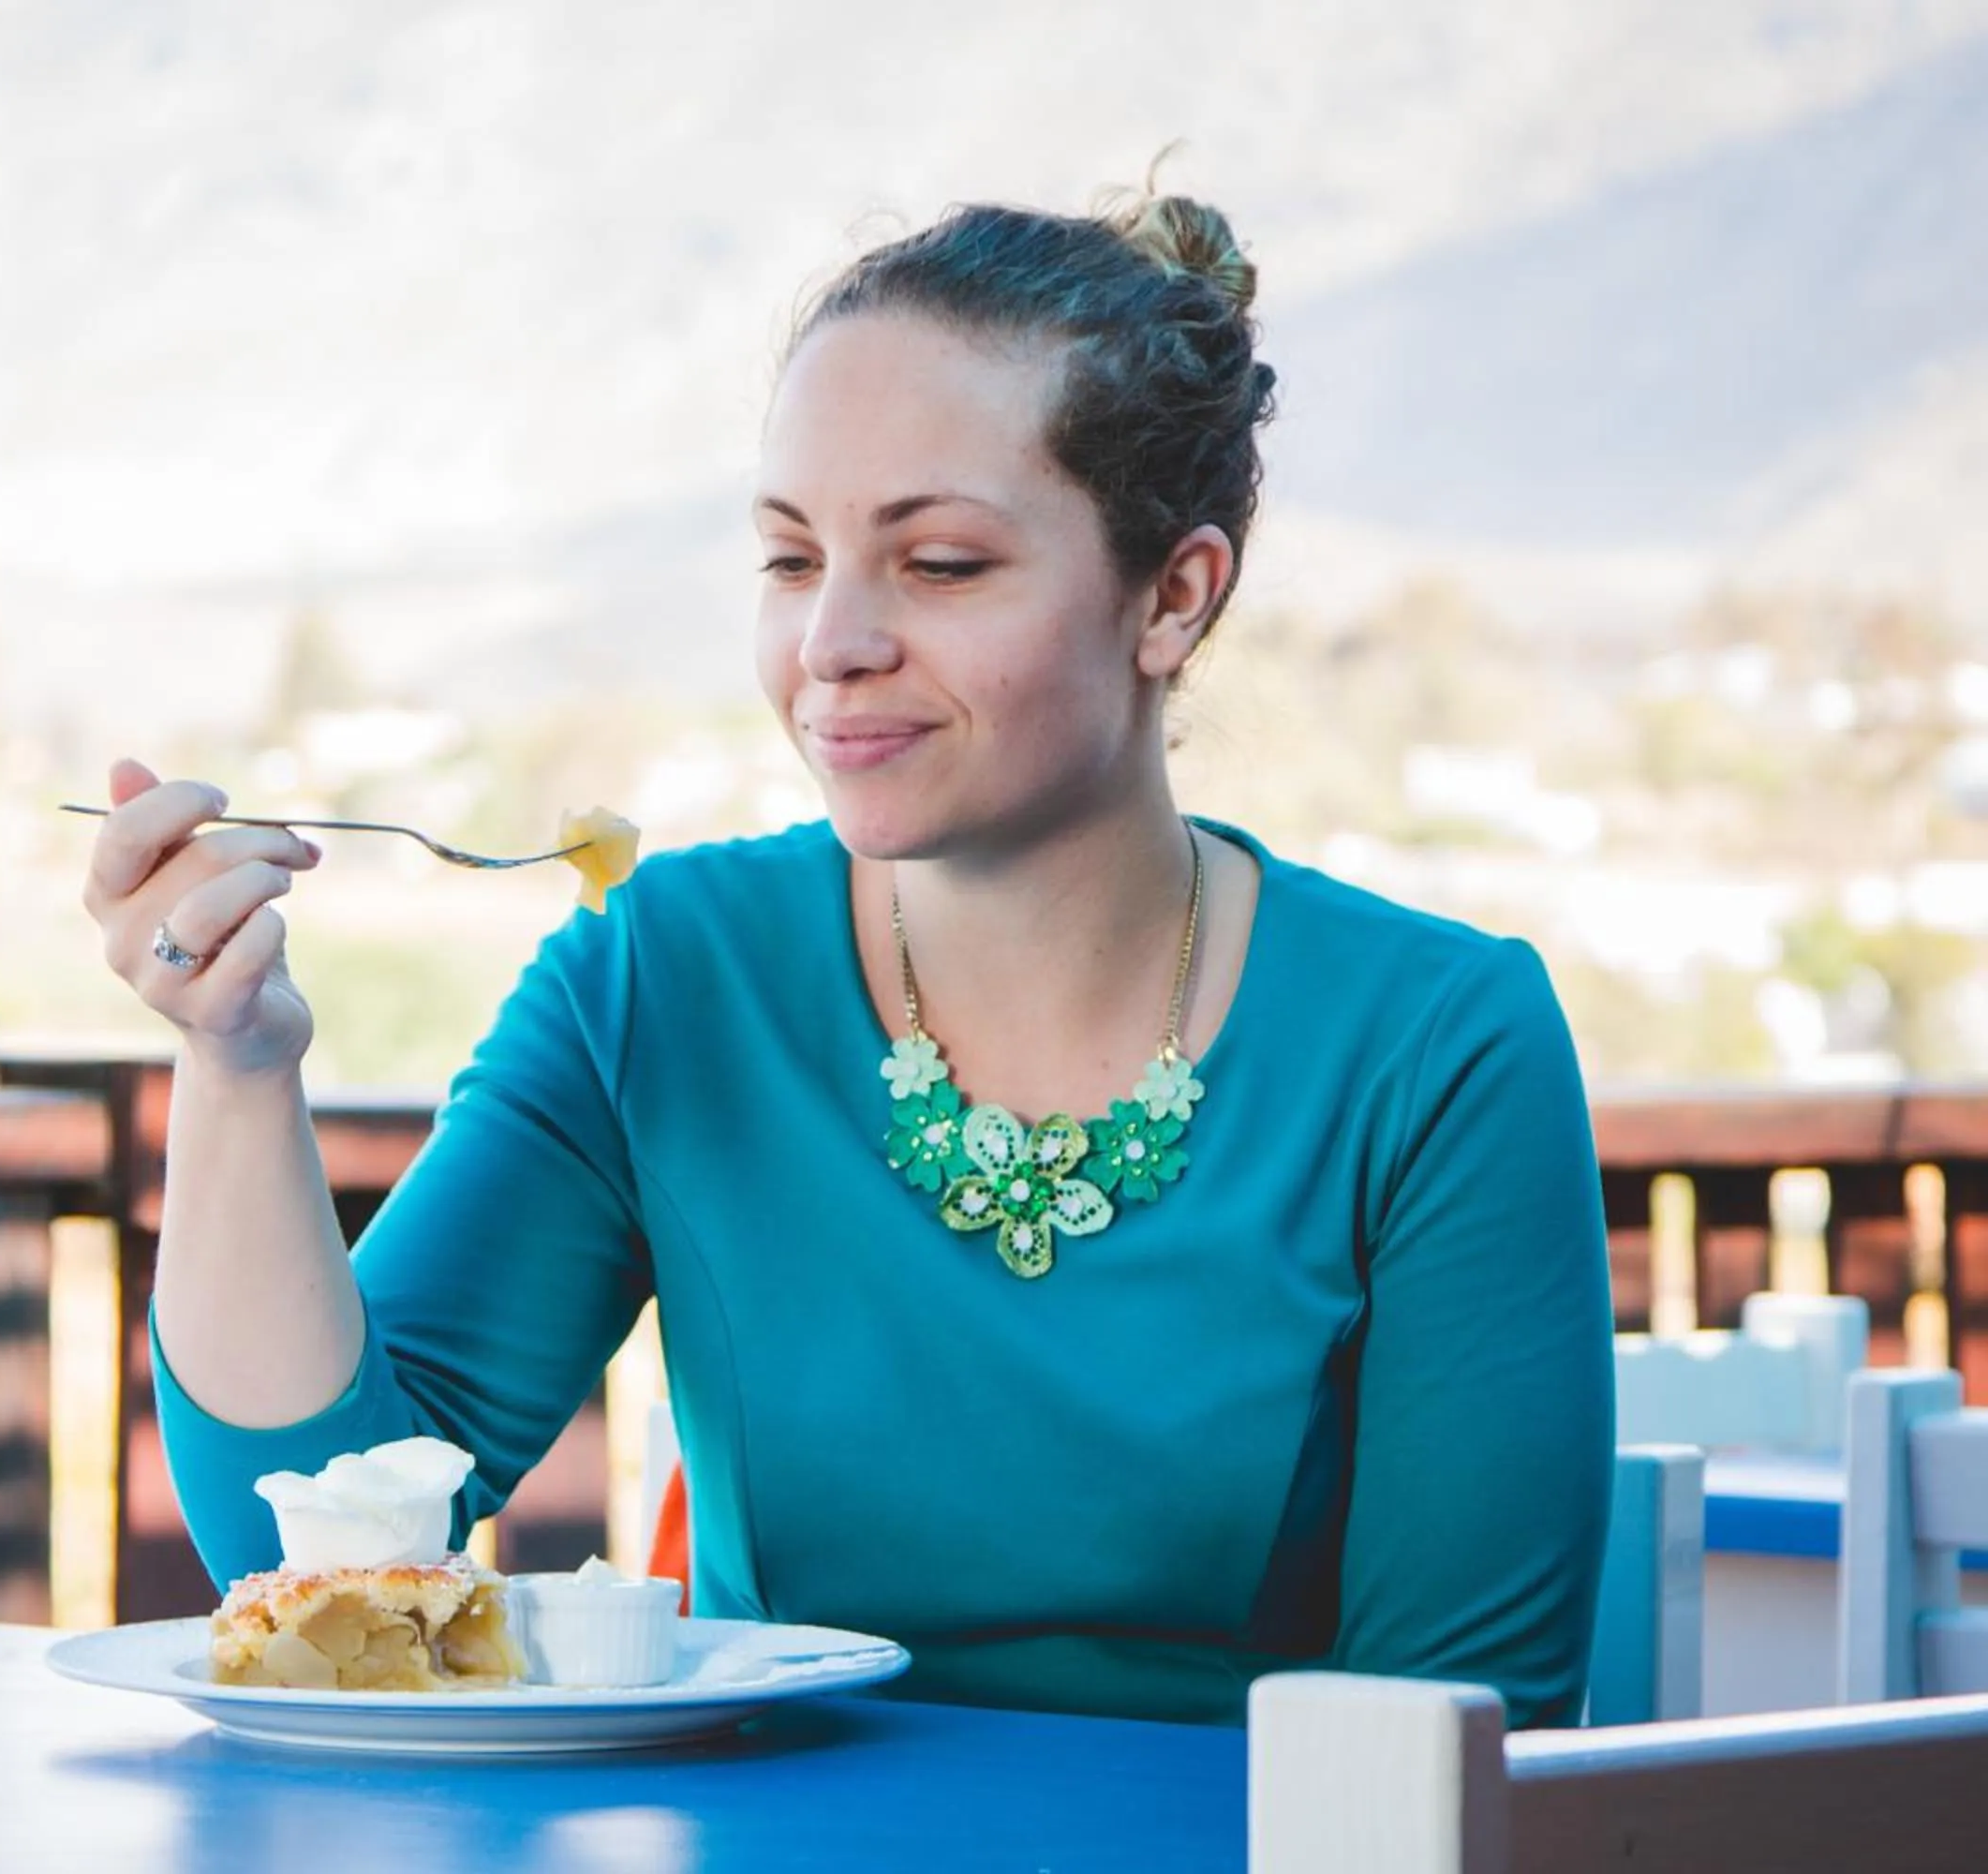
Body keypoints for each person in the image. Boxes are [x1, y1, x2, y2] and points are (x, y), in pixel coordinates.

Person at [80, 189, 1613, 1728]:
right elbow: (313, 1539)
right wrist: (236, 1067)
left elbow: (1457, 1747)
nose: (833, 644)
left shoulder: (1440, 1048)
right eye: (792, 560)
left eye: (939, 565)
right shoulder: (662, 977)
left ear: (1173, 595)